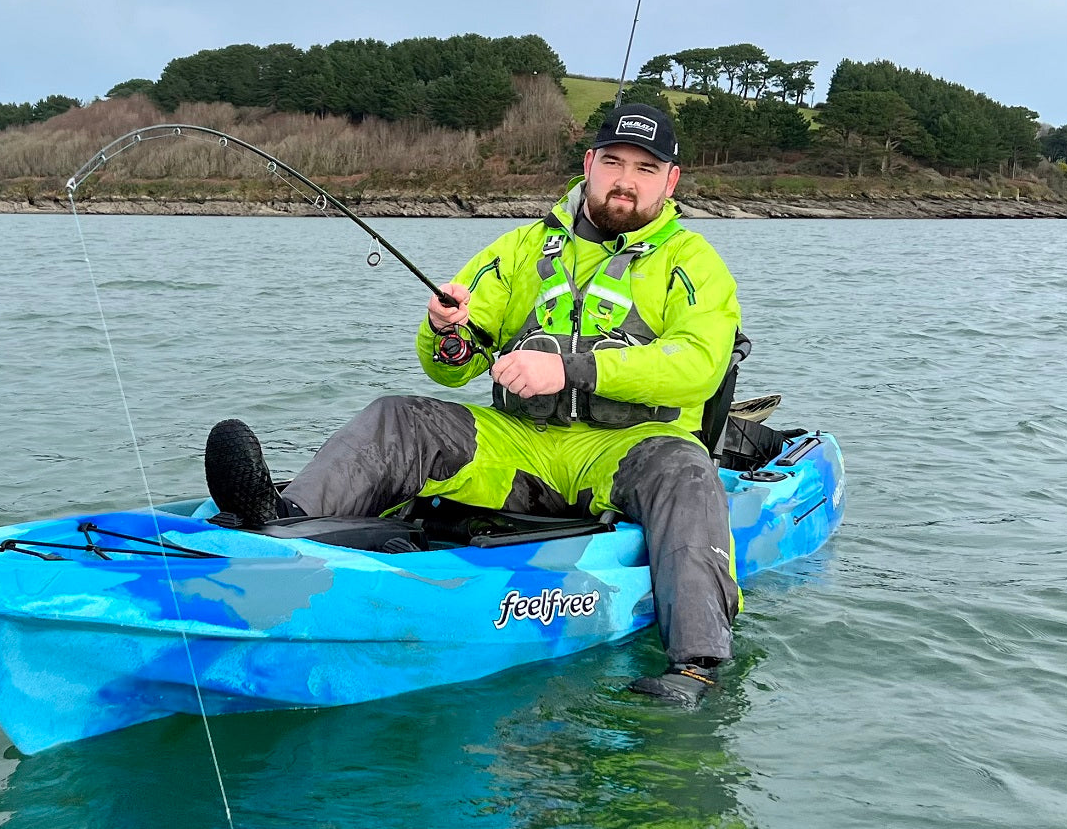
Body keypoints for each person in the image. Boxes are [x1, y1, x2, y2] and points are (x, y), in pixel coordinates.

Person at [205, 103, 743, 704]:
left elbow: (698, 366)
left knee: (687, 470)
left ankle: (695, 666)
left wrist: (569, 368)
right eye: (613, 161)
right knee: (400, 418)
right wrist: (445, 329)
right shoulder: (519, 250)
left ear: (670, 181)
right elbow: (446, 364)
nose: (625, 179)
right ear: (588, 164)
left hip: (628, 448)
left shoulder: (695, 264)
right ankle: (275, 522)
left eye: (646, 168)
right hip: (519, 447)